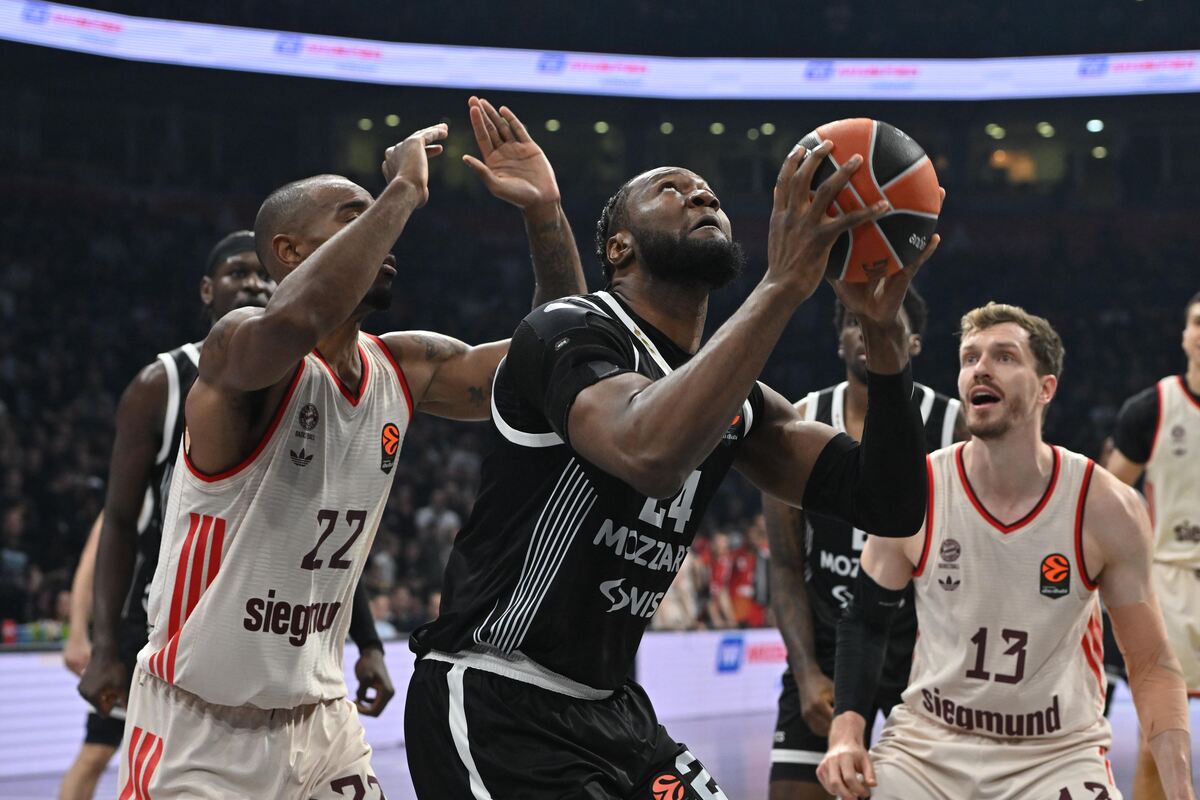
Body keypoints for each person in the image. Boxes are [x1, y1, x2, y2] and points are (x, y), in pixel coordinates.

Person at [404, 138, 940, 798]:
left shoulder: (735, 399)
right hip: (497, 698)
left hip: (613, 710)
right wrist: (782, 286)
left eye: (709, 192)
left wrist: (883, 336)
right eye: (671, 189)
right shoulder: (566, 328)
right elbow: (648, 455)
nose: (702, 195)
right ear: (619, 248)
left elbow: (890, 504)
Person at [105, 97, 586, 799]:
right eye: (355, 217)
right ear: (289, 253)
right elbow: (295, 319)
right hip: (198, 730)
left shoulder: (406, 366)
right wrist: (402, 189)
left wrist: (544, 214)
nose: (385, 232)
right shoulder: (238, 348)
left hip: (321, 722)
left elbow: (554, 363)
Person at [818, 303, 1194, 800]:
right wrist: (846, 732)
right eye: (969, 357)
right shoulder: (918, 490)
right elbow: (865, 620)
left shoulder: (1105, 506)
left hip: (1054, 754)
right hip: (929, 748)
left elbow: (1150, 663)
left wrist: (1181, 791)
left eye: (1004, 356)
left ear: (1046, 388)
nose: (980, 368)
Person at [67, 232, 389, 800]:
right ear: (206, 290)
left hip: (278, 639)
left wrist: (368, 642)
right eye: (238, 273)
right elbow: (117, 521)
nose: (255, 284)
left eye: (262, 274)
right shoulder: (162, 384)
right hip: (173, 625)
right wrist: (101, 643)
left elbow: (324, 530)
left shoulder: (317, 379)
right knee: (96, 754)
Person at [764, 287, 965, 799]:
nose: (865, 331)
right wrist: (806, 673)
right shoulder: (803, 417)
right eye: (854, 322)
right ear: (839, 342)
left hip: (921, 656)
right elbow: (785, 564)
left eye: (884, 321)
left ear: (912, 343)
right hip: (827, 652)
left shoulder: (953, 424)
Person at [1105, 290, 1200, 800]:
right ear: (1184, 335)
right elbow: (1107, 498)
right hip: (1171, 582)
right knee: (1158, 741)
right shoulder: (1153, 408)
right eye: (1198, 323)